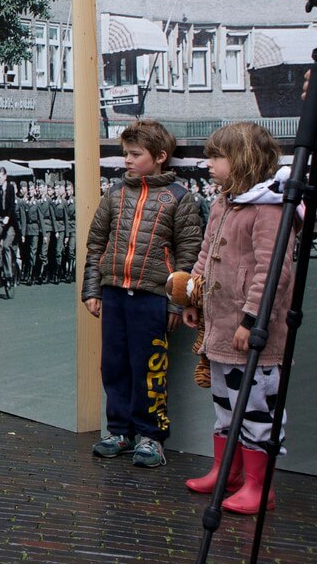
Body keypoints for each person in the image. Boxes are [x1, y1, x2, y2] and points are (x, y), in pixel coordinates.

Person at [181, 123, 295, 514]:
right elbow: (205, 254)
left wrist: (251, 320)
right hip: (220, 330)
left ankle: (259, 486)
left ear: (243, 160)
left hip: (250, 334)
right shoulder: (223, 203)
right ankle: (226, 470)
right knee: (225, 404)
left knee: (255, 408)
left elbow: (273, 271)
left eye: (216, 157)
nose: (208, 164)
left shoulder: (269, 208)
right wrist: (193, 296)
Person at [82, 119, 203, 467]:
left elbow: (189, 254)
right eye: (126, 154)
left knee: (149, 368)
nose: (128, 161)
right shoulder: (114, 194)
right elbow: (96, 245)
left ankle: (152, 436)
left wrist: (177, 303)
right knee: (113, 365)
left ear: (161, 156)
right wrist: (93, 289)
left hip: (153, 297)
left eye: (136, 154)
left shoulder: (180, 199)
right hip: (114, 292)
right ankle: (119, 431)